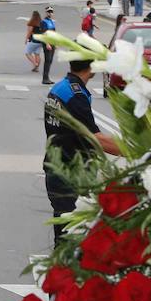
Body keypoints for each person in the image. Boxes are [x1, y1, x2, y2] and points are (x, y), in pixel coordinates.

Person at [44, 57, 117, 243]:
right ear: (92, 67)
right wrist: (134, 151)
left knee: (64, 230)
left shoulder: (60, 87)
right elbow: (96, 139)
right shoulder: (75, 95)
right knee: (71, 236)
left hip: (58, 168)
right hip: (69, 174)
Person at [41, 7, 58, 85]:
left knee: (50, 60)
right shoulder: (44, 22)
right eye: (48, 12)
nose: (50, 13)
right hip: (47, 43)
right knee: (47, 60)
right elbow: (44, 33)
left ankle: (47, 77)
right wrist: (47, 43)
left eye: (51, 12)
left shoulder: (51, 21)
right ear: (46, 13)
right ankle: (45, 78)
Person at [25, 9, 46, 74]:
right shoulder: (42, 22)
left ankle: (35, 63)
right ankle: (36, 68)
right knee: (37, 54)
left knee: (27, 53)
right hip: (40, 41)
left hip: (33, 40)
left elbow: (30, 32)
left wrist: (26, 39)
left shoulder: (32, 22)